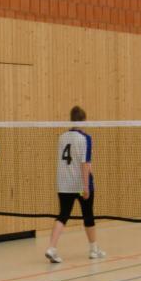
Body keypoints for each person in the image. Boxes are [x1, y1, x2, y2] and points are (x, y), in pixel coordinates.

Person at [45, 106, 106, 264]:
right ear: (83, 120)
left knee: (63, 215)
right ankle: (93, 250)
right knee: (88, 215)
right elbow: (85, 164)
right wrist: (86, 186)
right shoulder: (85, 138)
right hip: (80, 184)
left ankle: (51, 248)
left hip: (64, 183)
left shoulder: (62, 137)